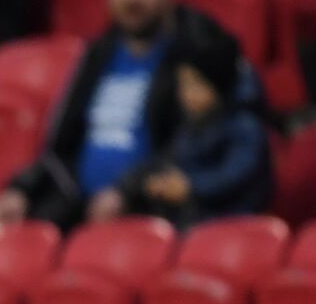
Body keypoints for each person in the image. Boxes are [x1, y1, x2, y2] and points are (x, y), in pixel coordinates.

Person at [0, 0, 261, 230]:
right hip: (78, 205)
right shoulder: (97, 54)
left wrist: (128, 191)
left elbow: (197, 140)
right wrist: (23, 189)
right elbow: (62, 141)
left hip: (153, 209)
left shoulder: (196, 52)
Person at [112, 33, 272, 227]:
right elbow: (166, 159)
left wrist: (190, 187)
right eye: (183, 84)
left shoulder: (245, 126)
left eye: (196, 84)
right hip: (189, 222)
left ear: (218, 84)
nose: (186, 94)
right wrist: (140, 183)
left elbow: (234, 175)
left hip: (230, 224)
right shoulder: (191, 125)